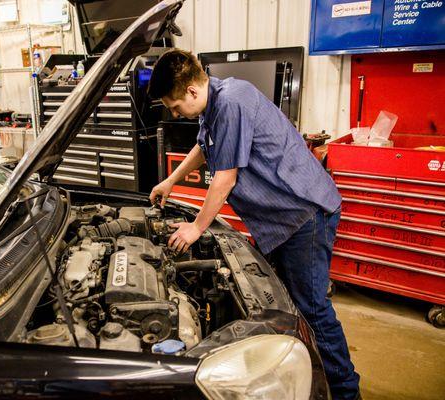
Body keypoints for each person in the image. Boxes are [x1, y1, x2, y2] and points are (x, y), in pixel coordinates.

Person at [148, 49, 361, 400]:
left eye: (174, 107)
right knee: (284, 308)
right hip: (281, 219)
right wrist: (170, 180)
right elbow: (204, 147)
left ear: (191, 92)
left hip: (303, 214)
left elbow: (225, 178)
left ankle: (346, 392)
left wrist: (197, 228)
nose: (175, 114)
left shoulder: (231, 100)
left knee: (313, 310)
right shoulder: (214, 101)